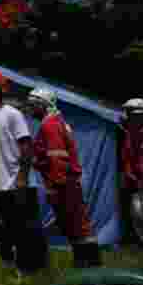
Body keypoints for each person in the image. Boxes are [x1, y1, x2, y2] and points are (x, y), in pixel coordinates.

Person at [0, 69, 46, 274]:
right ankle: (14, 266)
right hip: (0, 184)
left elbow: (26, 147)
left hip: (18, 183)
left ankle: (35, 269)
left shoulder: (12, 114)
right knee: (8, 227)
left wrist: (22, 178)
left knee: (27, 229)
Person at [26, 86, 101, 268]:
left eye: (32, 105)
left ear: (42, 105)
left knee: (75, 223)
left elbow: (57, 155)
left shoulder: (50, 124)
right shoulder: (57, 122)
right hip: (65, 182)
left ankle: (87, 263)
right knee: (75, 223)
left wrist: (56, 184)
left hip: (63, 183)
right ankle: (85, 260)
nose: (30, 110)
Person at [121, 98, 143, 244]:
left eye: (129, 113)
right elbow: (127, 159)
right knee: (140, 220)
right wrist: (129, 173)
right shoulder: (130, 136)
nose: (125, 116)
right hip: (137, 187)